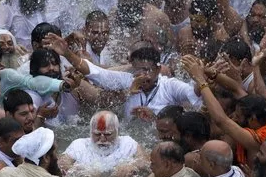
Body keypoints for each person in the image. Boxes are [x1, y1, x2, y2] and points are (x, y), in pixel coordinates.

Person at [46, 37, 201, 120]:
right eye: (138, 70)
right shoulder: (128, 81)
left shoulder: (169, 86)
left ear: (158, 69)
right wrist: (67, 53)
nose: (143, 75)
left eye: (147, 70)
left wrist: (200, 78)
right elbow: (96, 73)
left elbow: (193, 93)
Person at [182, 55, 266, 166]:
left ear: (253, 120)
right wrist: (208, 72)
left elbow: (220, 120)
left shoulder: (256, 141)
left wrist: (200, 80)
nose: (233, 117)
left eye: (238, 116)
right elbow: (236, 88)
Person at [61, 111, 148, 177]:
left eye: (108, 134)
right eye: (97, 134)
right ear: (90, 132)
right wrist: (79, 172)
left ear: (117, 132)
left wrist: (132, 166)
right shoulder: (79, 145)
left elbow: (145, 161)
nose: (102, 139)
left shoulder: (128, 144)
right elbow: (61, 165)